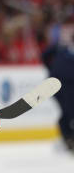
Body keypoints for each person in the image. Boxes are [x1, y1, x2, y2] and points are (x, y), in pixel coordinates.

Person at [41, 22, 74, 153]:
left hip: (70, 85)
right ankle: (68, 137)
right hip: (58, 84)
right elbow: (44, 56)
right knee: (68, 110)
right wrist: (53, 70)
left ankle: (69, 136)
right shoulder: (60, 48)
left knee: (69, 112)